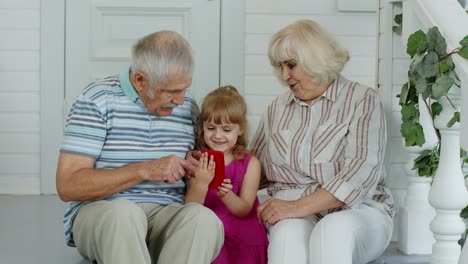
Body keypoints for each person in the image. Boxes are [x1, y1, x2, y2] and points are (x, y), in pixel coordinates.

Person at [55, 30, 224, 264]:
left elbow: (193, 183)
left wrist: (195, 169)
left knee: (204, 220)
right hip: (106, 213)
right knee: (124, 214)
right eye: (172, 91)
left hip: (165, 214)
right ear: (140, 80)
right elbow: (68, 186)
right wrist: (143, 170)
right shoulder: (97, 99)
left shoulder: (188, 106)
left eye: (185, 89)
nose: (181, 101)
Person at [251, 19, 395, 264]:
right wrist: (214, 166)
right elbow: (254, 170)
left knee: (332, 230)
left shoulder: (362, 100)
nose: (285, 76)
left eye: (291, 65)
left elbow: (358, 175)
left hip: (358, 212)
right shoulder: (277, 108)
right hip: (296, 214)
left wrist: (296, 206)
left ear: (315, 58)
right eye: (280, 67)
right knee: (286, 234)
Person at [189, 86, 268, 264]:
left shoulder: (250, 163)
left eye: (226, 129)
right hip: (210, 237)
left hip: (242, 238)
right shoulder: (197, 159)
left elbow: (244, 209)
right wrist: (200, 183)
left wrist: (227, 195)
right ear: (203, 127)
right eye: (211, 128)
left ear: (240, 129)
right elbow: (190, 210)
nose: (218, 135)